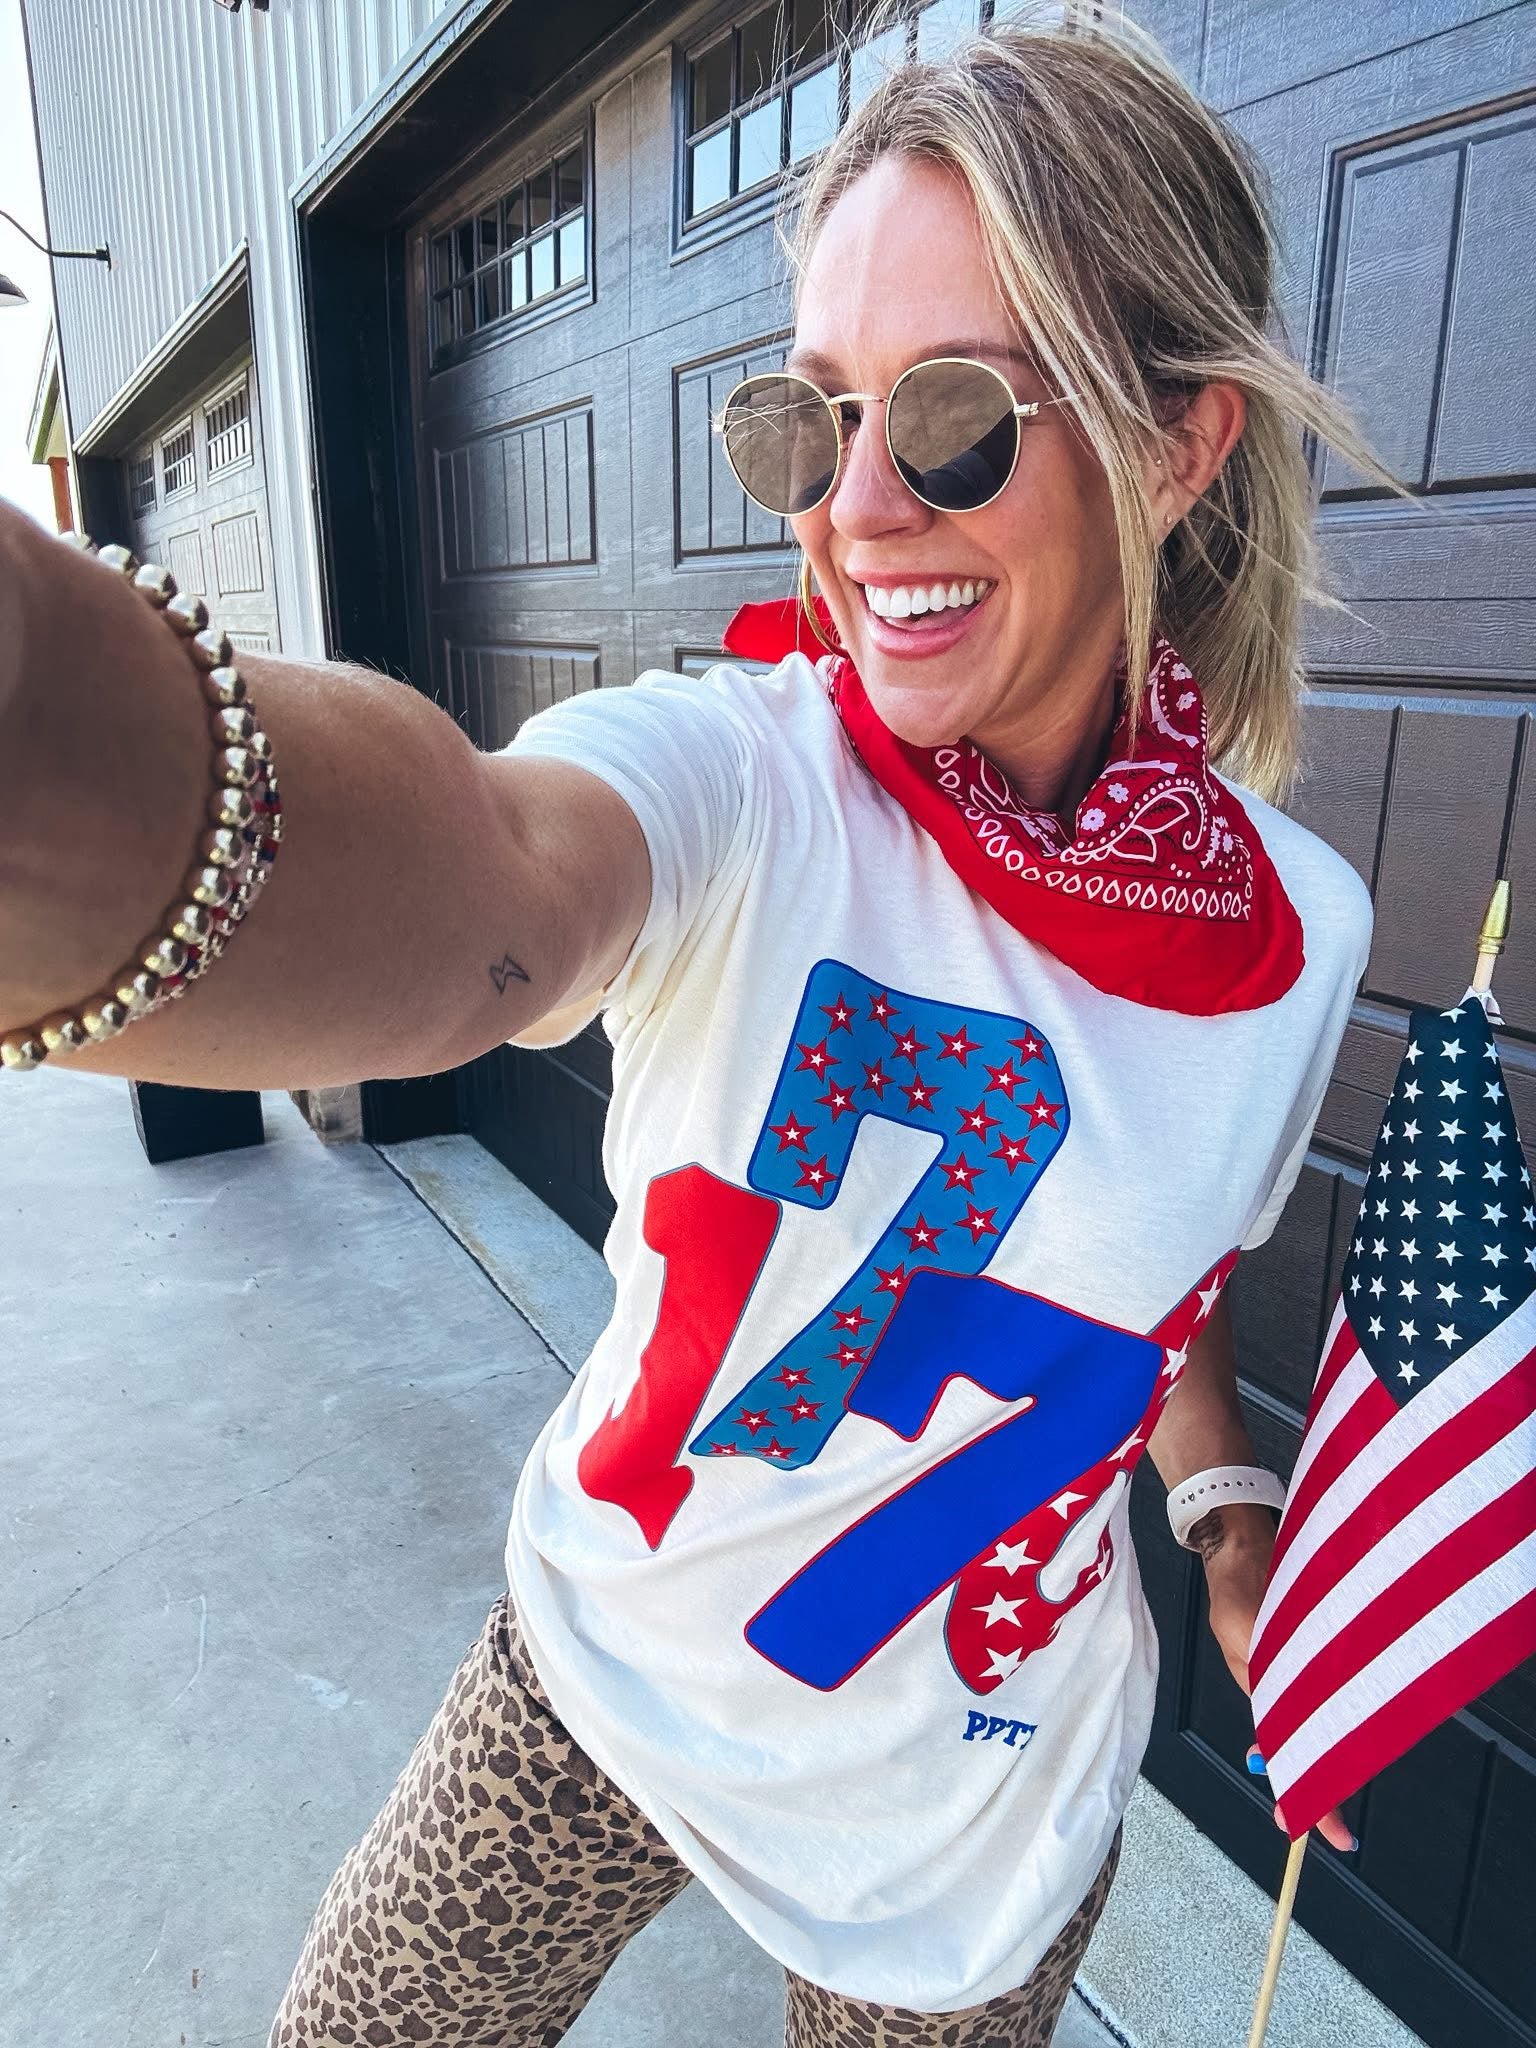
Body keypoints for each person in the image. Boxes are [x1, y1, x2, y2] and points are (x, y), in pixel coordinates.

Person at [0, 13, 1416, 2047]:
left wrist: (1226, 1512)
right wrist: (46, 733)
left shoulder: (1298, 935)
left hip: (973, 1825)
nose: (855, 509)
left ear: (1179, 442)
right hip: (613, 1671)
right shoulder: (748, 780)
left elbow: (1160, 1279)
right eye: (807, 423)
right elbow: (487, 880)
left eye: (952, 415)